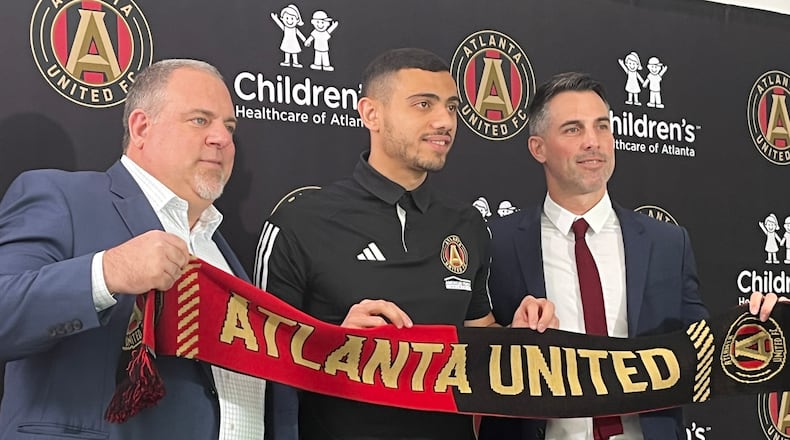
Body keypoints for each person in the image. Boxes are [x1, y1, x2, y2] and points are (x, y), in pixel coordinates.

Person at [253, 48, 557, 440]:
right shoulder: (299, 221)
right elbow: (258, 357)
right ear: (371, 114)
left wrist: (516, 334)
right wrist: (332, 341)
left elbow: (478, 339)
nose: (444, 121)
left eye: (451, 107)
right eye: (423, 105)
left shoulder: (467, 224)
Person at [478, 71, 783, 440]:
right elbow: (472, 357)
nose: (593, 142)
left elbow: (700, 352)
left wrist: (761, 324)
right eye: (573, 129)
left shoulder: (668, 243)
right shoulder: (496, 243)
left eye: (602, 126)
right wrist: (512, 338)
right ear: (538, 147)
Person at [0, 59, 268, 439]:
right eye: (200, 120)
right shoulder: (62, 198)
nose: (222, 139)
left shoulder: (222, 249)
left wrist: (328, 343)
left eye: (229, 127)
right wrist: (106, 273)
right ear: (141, 127)